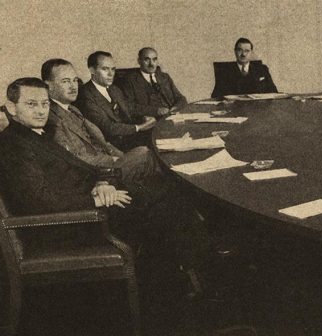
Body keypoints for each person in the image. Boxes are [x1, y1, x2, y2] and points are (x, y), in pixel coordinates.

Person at [0, 77, 209, 296]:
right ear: (12, 107)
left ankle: (183, 272)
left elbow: (81, 171)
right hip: (68, 226)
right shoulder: (13, 145)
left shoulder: (37, 135)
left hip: (82, 209)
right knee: (165, 203)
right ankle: (181, 280)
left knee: (164, 194)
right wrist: (96, 199)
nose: (41, 111)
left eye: (45, 103)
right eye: (31, 104)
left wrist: (101, 183)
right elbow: (38, 200)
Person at [42, 58, 160, 186]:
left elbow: (101, 141)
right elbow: (75, 158)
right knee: (145, 154)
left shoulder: (73, 108)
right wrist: (114, 160)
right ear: (48, 86)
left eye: (75, 80)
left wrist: (121, 156)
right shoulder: (50, 118)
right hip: (97, 175)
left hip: (108, 161)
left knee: (149, 158)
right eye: (65, 81)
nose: (73, 86)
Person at [75, 51, 157, 151]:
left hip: (129, 137)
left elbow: (130, 108)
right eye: (105, 69)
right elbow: (108, 127)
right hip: (111, 146)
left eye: (113, 69)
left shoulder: (114, 89)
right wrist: (139, 127)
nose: (111, 74)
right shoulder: (85, 94)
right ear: (92, 70)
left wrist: (149, 114)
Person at [119, 47, 188, 112]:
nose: (151, 64)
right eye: (147, 60)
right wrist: (156, 111)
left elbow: (181, 98)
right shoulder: (130, 80)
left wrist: (176, 107)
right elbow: (129, 106)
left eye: (154, 59)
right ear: (139, 61)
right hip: (150, 120)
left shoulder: (164, 77)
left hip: (171, 115)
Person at [211, 37, 278, 98]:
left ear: (251, 52)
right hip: (234, 109)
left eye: (247, 51)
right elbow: (216, 96)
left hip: (258, 108)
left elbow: (274, 92)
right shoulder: (224, 71)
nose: (243, 54)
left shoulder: (262, 69)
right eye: (240, 50)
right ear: (235, 51)